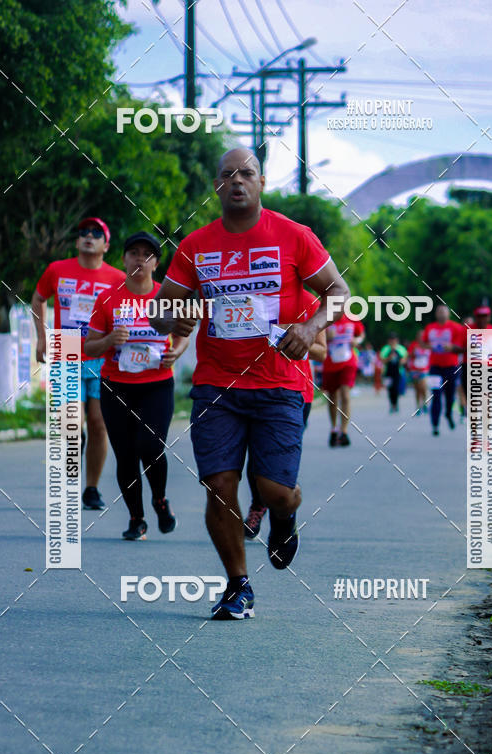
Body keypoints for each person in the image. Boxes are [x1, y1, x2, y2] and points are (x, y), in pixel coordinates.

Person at [150, 147, 350, 620]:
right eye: (227, 174)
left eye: (247, 173)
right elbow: (161, 309)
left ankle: (283, 517)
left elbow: (339, 294)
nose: (237, 181)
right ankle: (238, 585)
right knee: (220, 486)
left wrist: (310, 328)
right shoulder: (196, 245)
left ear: (261, 183)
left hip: (281, 384)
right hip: (216, 385)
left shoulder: (293, 235)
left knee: (276, 490)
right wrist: (171, 319)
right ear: (216, 186)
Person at [84, 232, 188, 539]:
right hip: (116, 386)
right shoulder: (107, 299)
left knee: (151, 446)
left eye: (147, 254)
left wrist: (176, 352)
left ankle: (160, 500)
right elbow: (89, 348)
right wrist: (108, 341)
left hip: (157, 385)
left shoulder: (168, 298)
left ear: (156, 263)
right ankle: (136, 519)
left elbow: (184, 333)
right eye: (133, 253)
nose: (140, 259)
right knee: (126, 455)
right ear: (124, 259)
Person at [31, 217, 124, 510]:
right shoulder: (57, 270)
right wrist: (42, 337)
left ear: (106, 245)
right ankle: (69, 481)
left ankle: (92, 489)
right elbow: (38, 298)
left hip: (102, 355)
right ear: (76, 241)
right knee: (71, 424)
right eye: (83, 232)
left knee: (98, 424)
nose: (89, 236)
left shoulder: (118, 278)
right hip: (67, 349)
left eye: (97, 233)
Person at [243, 325, 327, 540]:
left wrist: (294, 341)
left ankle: (282, 510)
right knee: (255, 454)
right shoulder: (259, 295)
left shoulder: (311, 302)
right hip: (255, 385)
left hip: (296, 393)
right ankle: (258, 506)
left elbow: (322, 352)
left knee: (279, 457)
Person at [421, 304, 465, 436]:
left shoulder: (456, 328)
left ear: (448, 314)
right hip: (435, 366)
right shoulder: (430, 328)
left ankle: (448, 414)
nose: (441, 314)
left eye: (443, 311)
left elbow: (461, 345)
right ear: (436, 314)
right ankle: (435, 424)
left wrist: (451, 347)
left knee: (450, 395)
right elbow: (423, 343)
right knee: (436, 395)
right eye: (439, 312)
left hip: (451, 366)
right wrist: (430, 346)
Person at [322, 312, 365, 446]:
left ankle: (344, 431)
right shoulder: (325, 316)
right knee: (332, 397)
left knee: (345, 394)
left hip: (348, 361)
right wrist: (326, 337)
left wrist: (357, 341)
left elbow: (361, 334)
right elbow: (316, 336)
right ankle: (334, 428)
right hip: (330, 362)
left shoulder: (352, 317)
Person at [379, 334, 408, 413]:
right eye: (391, 340)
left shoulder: (401, 349)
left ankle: (396, 404)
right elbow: (382, 360)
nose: (392, 341)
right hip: (387, 372)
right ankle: (392, 404)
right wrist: (389, 358)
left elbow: (405, 358)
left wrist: (402, 361)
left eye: (394, 340)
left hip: (398, 372)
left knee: (396, 388)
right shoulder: (385, 349)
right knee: (390, 389)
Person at [406, 330, 430, 415]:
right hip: (415, 369)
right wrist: (413, 352)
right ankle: (418, 406)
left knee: (423, 387)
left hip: (424, 369)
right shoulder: (414, 345)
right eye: (420, 336)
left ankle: (425, 403)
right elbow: (408, 355)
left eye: (423, 336)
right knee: (417, 389)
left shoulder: (428, 345)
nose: (421, 337)